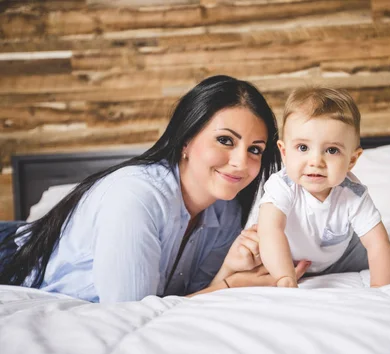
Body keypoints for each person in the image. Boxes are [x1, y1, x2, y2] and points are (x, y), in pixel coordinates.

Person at [0, 75, 310, 303]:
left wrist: (227, 271)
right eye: (225, 140)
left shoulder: (225, 209)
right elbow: (131, 312)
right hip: (11, 252)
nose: (242, 163)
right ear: (186, 140)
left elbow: (188, 296)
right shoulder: (135, 197)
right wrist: (229, 287)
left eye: (255, 149)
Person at [256, 87, 390, 288]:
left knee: (380, 252)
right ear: (284, 153)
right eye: (303, 148)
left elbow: (377, 244)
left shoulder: (353, 194)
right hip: (288, 258)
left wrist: (381, 289)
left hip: (342, 257)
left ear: (352, 160)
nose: (316, 161)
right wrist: (285, 277)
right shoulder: (282, 186)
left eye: (331, 150)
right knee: (258, 248)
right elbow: (271, 231)